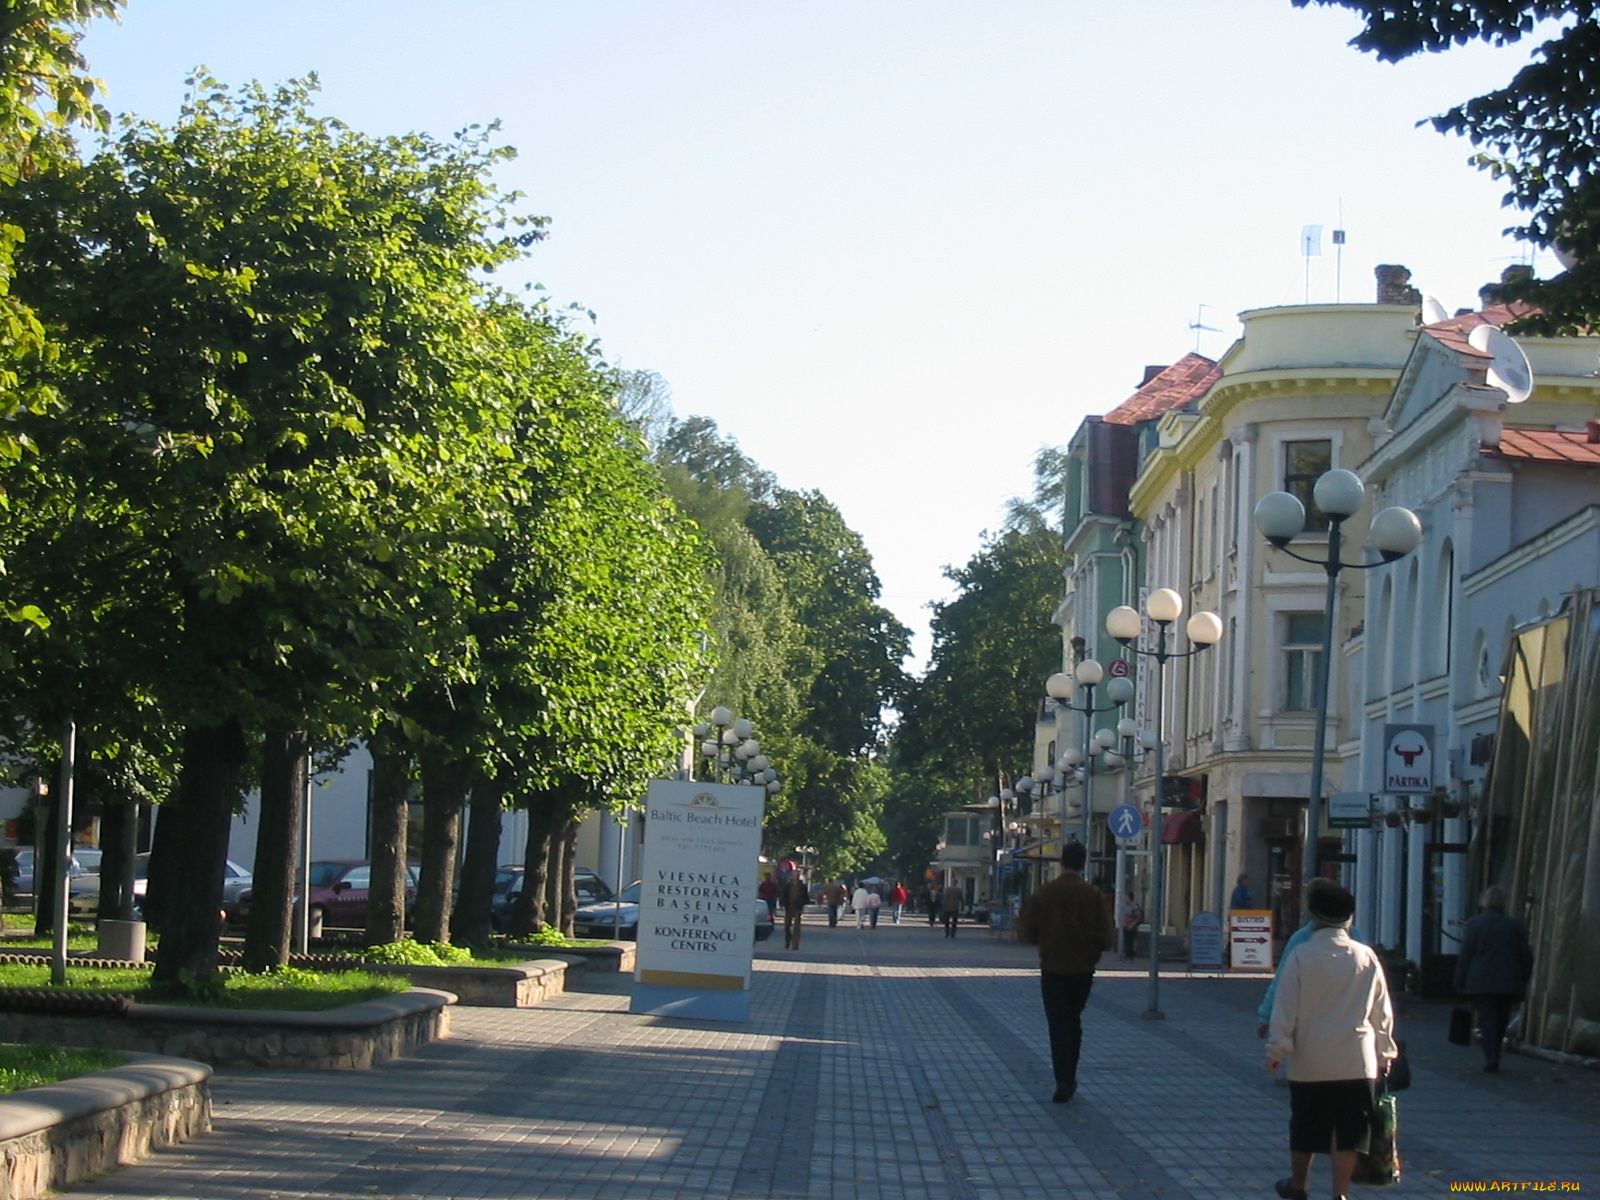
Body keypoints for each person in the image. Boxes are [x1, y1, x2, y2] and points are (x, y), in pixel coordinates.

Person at [1264, 883, 1396, 1200]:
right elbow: (1382, 1012)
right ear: (1348, 917)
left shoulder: (1301, 956)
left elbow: (1286, 1008)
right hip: (1356, 1059)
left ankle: (1298, 1186)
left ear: (1314, 915)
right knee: (1350, 1133)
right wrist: (1385, 1052)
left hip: (1311, 1059)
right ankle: (1340, 1193)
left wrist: (1277, 1050)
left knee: (1306, 1127)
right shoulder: (1366, 957)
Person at [1016, 841, 1116, 1103]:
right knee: (1074, 1020)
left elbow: (1026, 930)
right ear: (1083, 864)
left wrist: (1047, 941)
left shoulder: (1046, 892)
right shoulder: (1091, 895)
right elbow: (1107, 936)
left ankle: (1062, 1080)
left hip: (1053, 966)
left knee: (1057, 1023)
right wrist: (1090, 949)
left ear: (1061, 862)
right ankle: (1070, 1076)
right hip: (1083, 968)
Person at [1255, 878, 1370, 1038]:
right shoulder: (1360, 943)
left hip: (1309, 1026)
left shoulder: (1301, 940)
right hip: (1349, 1026)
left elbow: (1282, 982)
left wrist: (1267, 1018)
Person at [1454, 884, 1534, 1073]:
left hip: (1481, 981)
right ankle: (1495, 1051)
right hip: (1508, 981)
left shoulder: (1475, 924)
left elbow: (1466, 954)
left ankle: (1491, 1055)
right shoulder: (1515, 925)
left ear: (1485, 902)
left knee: (1487, 1018)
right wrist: (1524, 977)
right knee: (1501, 1018)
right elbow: (1526, 956)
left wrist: (1459, 980)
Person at [781, 872, 809, 950]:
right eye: (794, 875)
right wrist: (782, 904)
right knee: (787, 925)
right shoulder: (787, 885)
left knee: (797, 926)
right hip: (789, 906)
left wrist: (802, 903)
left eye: (797, 875)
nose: (795, 877)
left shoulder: (802, 886)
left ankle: (795, 945)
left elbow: (806, 897)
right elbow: (783, 895)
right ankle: (788, 939)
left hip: (798, 907)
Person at [1120, 892, 1143, 961]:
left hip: (1131, 927)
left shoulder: (1134, 907)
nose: (1125, 899)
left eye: (1126, 898)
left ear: (1130, 898)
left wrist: (1132, 924)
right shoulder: (1125, 906)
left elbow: (1138, 917)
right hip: (1126, 926)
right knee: (1126, 941)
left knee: (1130, 942)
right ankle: (1127, 955)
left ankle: (1131, 956)